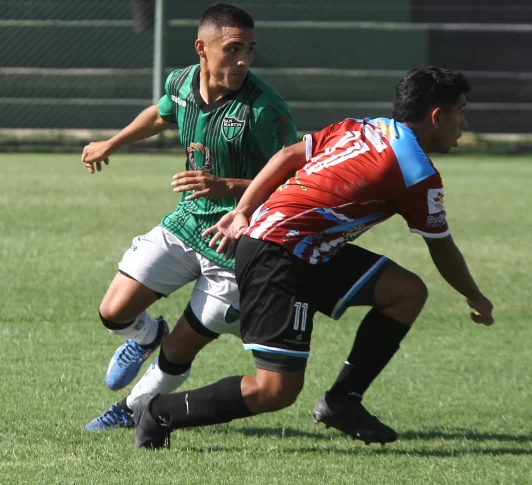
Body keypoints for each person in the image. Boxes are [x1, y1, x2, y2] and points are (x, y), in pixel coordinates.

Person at [130, 66, 496, 449]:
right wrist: (475, 296)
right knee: (275, 391)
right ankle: (159, 412)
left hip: (305, 250)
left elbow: (288, 156)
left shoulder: (362, 127)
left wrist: (245, 209)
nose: (463, 122)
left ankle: (343, 400)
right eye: (461, 111)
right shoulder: (417, 173)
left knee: (405, 291)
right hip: (278, 255)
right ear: (437, 116)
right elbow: (442, 247)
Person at [81, 3, 297, 430]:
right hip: (186, 223)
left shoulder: (264, 110)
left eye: (250, 50)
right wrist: (113, 142)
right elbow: (162, 114)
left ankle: (133, 409)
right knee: (113, 312)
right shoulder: (180, 82)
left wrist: (228, 188)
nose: (243, 60)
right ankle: (146, 335)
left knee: (180, 350)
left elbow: (292, 182)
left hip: (236, 240)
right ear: (202, 47)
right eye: (233, 49)